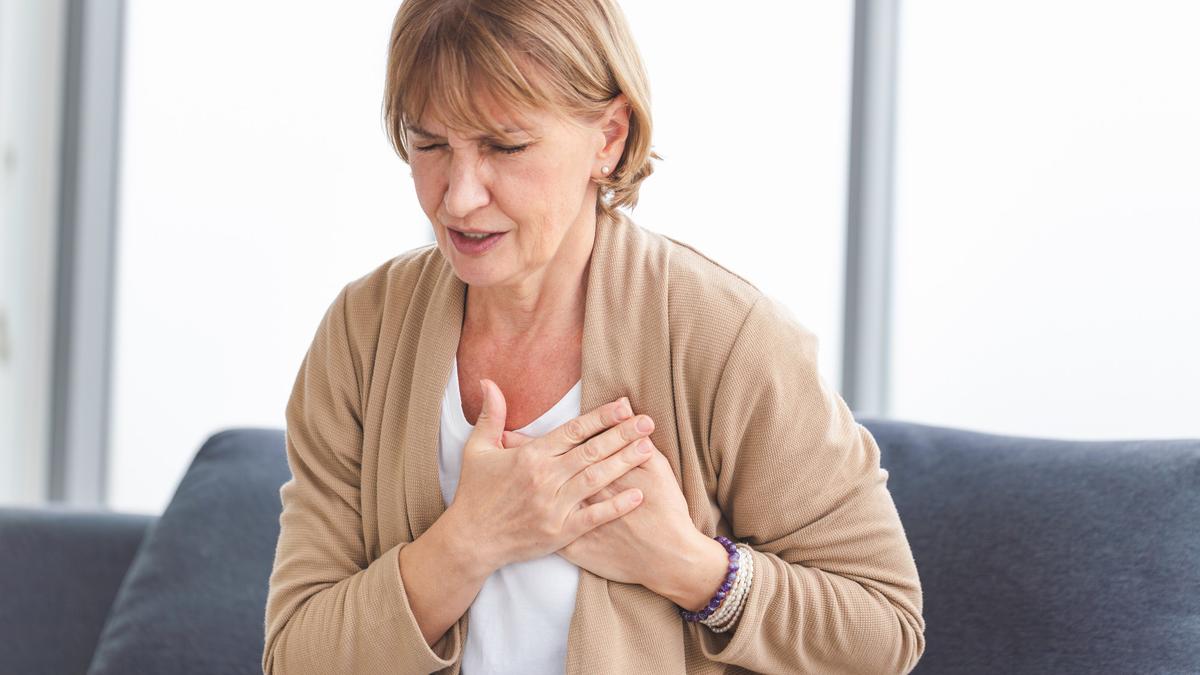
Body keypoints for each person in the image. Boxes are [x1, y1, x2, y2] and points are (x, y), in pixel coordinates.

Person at [262, 0, 925, 673]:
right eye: (429, 143)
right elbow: (293, 655)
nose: (457, 197)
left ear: (608, 136)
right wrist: (467, 542)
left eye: (504, 145)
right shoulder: (363, 332)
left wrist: (693, 568)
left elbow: (885, 631)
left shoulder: (728, 338)